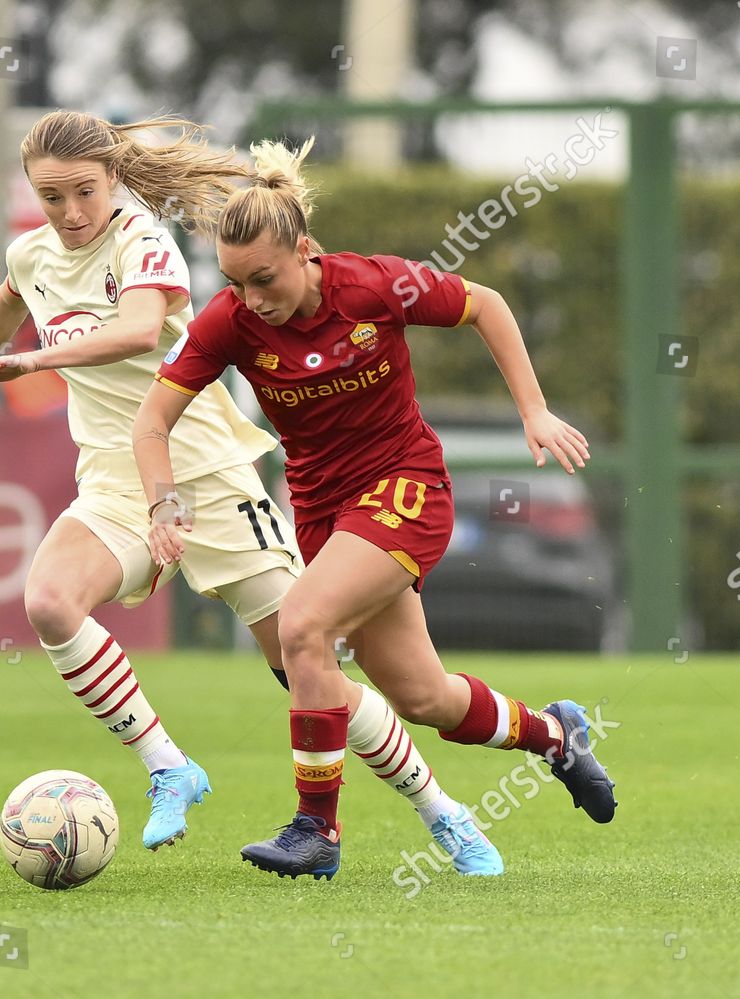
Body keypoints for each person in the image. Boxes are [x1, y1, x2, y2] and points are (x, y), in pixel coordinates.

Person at [0, 110, 500, 873]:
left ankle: (443, 811)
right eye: (50, 197)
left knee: (311, 671)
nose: (71, 213)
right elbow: (10, 294)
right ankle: (169, 765)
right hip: (115, 480)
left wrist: (35, 361)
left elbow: (143, 330)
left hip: (207, 476)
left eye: (83, 192)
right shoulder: (34, 251)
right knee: (48, 601)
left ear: (112, 180)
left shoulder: (141, 241)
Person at [133, 136, 617, 880]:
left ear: (304, 249)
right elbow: (151, 422)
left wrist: (535, 409)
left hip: (405, 486)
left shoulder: (374, 286)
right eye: (236, 283)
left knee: (302, 624)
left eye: (264, 278)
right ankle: (557, 736)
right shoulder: (231, 320)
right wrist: (164, 503)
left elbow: (485, 304)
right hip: (325, 512)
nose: (251, 298)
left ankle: (316, 829)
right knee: (426, 698)